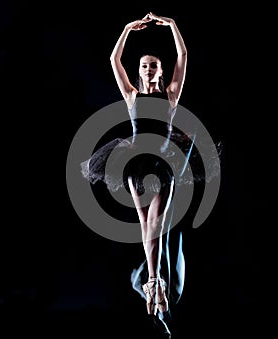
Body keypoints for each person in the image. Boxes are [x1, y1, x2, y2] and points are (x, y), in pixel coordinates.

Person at [81, 12, 197, 337]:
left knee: (158, 222)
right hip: (136, 162)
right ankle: (153, 282)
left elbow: (183, 56)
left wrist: (172, 25)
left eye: (153, 65)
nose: (148, 69)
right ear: (140, 71)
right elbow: (114, 58)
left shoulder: (171, 95)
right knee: (146, 223)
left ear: (160, 72)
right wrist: (127, 29)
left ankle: (156, 280)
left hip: (163, 161)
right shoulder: (132, 96)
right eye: (144, 65)